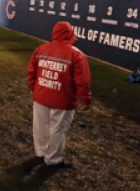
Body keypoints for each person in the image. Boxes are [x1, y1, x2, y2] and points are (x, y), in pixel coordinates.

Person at [28, 22, 92, 168]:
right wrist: (86, 99)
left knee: (40, 126)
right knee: (57, 129)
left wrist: (35, 89)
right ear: (70, 34)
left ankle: (41, 152)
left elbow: (32, 72)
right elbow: (83, 81)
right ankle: (53, 159)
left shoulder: (41, 49)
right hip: (63, 99)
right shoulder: (77, 54)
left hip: (41, 95)